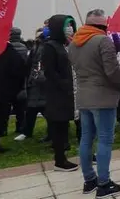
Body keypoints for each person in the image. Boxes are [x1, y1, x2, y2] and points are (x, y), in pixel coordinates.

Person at [68, 9, 120, 197]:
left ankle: (89, 180)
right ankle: (103, 183)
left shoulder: (75, 43)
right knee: (104, 139)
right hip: (103, 97)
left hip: (84, 97)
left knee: (86, 138)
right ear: (102, 25)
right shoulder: (103, 41)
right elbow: (112, 71)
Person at [41, 14, 79, 171]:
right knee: (59, 126)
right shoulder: (50, 46)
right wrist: (65, 85)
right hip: (58, 93)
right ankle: (60, 159)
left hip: (71, 91)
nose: (69, 29)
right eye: (66, 26)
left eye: (71, 25)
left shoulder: (67, 45)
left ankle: (66, 156)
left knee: (67, 125)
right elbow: (50, 71)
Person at [16, 28, 48, 141]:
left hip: (43, 82)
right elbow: (30, 63)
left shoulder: (47, 47)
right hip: (34, 81)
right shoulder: (36, 47)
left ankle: (51, 133)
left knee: (44, 109)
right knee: (31, 109)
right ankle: (26, 131)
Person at [7, 27, 29, 137]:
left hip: (9, 80)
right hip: (21, 79)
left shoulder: (7, 47)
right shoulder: (24, 47)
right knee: (20, 106)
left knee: (6, 106)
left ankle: (3, 129)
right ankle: (20, 126)